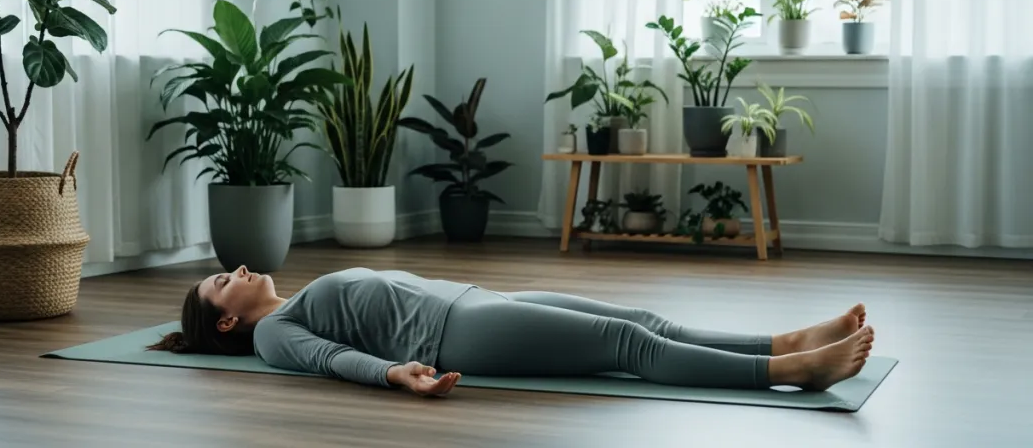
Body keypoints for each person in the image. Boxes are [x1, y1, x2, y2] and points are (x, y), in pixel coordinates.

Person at [147, 265, 874, 397]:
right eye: (222, 279)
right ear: (226, 319)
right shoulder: (276, 335)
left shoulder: (297, 297)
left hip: (476, 298)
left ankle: (779, 342)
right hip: (459, 331)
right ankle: (790, 374)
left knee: (640, 319)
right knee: (629, 350)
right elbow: (334, 359)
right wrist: (396, 373)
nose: (236, 268)